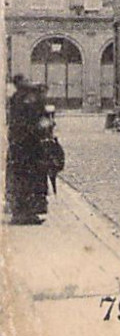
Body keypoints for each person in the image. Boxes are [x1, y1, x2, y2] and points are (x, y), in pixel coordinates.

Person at [6, 74, 52, 224]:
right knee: (31, 178)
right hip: (31, 146)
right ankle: (28, 213)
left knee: (19, 179)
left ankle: (20, 212)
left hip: (18, 146)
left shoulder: (16, 98)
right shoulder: (31, 99)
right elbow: (40, 121)